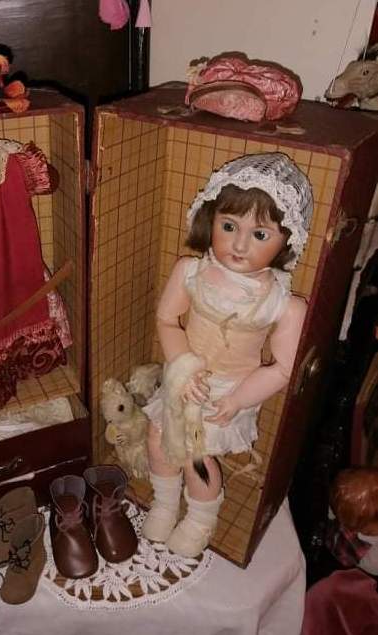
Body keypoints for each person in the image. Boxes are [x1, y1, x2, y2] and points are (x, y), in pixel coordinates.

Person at [142, 152, 313, 557]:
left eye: (260, 234)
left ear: (287, 240)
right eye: (229, 226)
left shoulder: (284, 304)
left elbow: (284, 368)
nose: (239, 244)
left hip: (226, 392)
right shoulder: (190, 271)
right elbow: (167, 319)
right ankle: (164, 502)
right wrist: (183, 367)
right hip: (182, 378)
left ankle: (201, 519)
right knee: (158, 437)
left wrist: (238, 399)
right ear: (210, 219)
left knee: (197, 457)